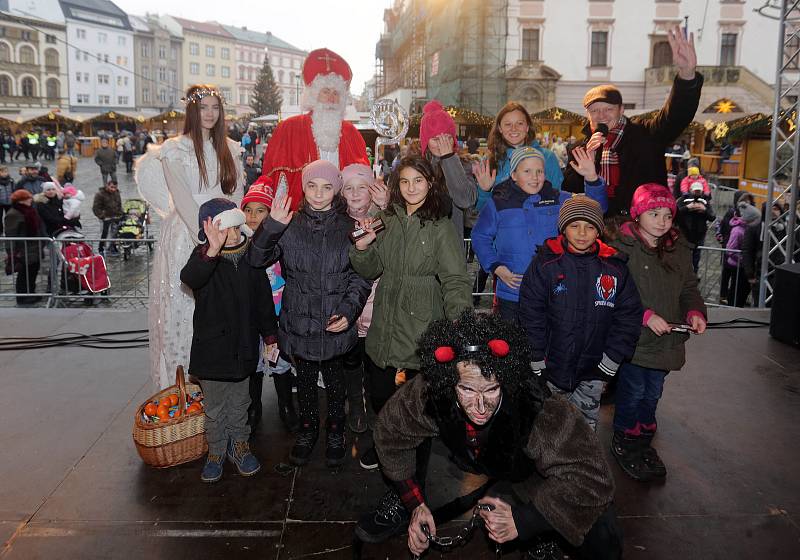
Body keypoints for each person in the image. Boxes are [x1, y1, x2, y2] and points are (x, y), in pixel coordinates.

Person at [356, 311, 621, 559]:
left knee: (602, 533)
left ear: (504, 380)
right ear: (450, 382)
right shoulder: (431, 391)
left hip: (530, 468)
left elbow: (593, 480)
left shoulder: (540, 410)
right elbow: (390, 432)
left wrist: (526, 520)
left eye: (492, 389)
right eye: (468, 390)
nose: (480, 407)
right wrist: (415, 504)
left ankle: (545, 535)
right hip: (483, 454)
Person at [349, 155, 473, 471]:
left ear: (430, 183)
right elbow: (372, 268)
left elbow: (455, 278)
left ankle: (412, 467)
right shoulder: (386, 219)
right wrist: (362, 249)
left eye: (417, 180)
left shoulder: (441, 226)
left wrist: (460, 318)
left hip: (422, 325)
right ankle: (386, 441)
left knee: (418, 404)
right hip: (385, 322)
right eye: (404, 181)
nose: (411, 187)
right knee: (379, 395)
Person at [248, 160, 371, 468]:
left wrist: (349, 310)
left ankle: (335, 430)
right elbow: (255, 259)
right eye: (312, 186)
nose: (319, 194)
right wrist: (271, 226)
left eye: (327, 187)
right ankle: (307, 429)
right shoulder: (289, 225)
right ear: (303, 187)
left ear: (336, 190)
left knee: (335, 380)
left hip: (334, 321)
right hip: (299, 321)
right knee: (303, 380)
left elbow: (360, 276)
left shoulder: (348, 227)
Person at [135, 84, 244, 390]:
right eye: (204, 107)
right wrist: (205, 238)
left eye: (215, 108)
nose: (210, 114)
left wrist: (235, 230)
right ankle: (181, 387)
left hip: (223, 231)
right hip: (189, 233)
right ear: (193, 111)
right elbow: (182, 198)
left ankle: (218, 383)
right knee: (184, 310)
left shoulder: (230, 149)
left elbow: (235, 193)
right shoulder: (175, 149)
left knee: (220, 308)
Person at [609, 184, 707, 481]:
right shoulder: (621, 248)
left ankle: (642, 440)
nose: (663, 221)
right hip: (635, 339)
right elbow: (613, 292)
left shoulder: (677, 249)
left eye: (667, 214)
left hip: (666, 341)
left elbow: (689, 288)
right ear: (638, 214)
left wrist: (695, 311)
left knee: (653, 393)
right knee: (633, 391)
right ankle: (624, 439)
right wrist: (645, 315)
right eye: (654, 213)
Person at [518, 196, 642, 430]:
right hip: (552, 368)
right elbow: (530, 314)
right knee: (548, 428)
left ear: (599, 231)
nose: (582, 233)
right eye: (575, 225)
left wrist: (612, 358)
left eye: (590, 226)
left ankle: (581, 465)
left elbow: (628, 317)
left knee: (584, 431)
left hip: (593, 370)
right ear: (563, 228)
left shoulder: (615, 268)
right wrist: (535, 356)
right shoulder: (545, 265)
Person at [180, 198, 277, 483]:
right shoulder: (204, 259)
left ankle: (240, 444)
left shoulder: (251, 259)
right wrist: (211, 250)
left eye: (236, 228)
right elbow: (190, 277)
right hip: (212, 352)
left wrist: (270, 335)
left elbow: (263, 302)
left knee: (240, 402)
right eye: (224, 230)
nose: (232, 236)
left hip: (244, 348)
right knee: (214, 408)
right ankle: (216, 450)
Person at [562, 26, 703, 221]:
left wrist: (687, 75)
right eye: (594, 111)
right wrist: (587, 167)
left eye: (608, 109)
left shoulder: (646, 134)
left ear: (621, 110)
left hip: (641, 229)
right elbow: (571, 195)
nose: (601, 115)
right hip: (599, 231)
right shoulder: (579, 149)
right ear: (587, 115)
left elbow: (676, 116)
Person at [471, 146, 607, 324]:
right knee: (512, 345)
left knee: (549, 345)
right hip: (512, 292)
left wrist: (592, 179)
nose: (534, 177)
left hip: (552, 290)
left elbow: (595, 210)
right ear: (513, 175)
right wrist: (495, 267)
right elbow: (480, 236)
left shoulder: (559, 199)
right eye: (527, 171)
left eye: (539, 171)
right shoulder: (498, 203)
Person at [256, 48, 368, 210]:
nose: (331, 98)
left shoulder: (352, 133)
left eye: (336, 93)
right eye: (325, 91)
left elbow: (363, 178)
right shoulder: (288, 129)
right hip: (298, 219)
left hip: (342, 218)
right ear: (314, 94)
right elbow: (271, 180)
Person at [239, 181, 298, 433]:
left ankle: (286, 405)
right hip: (251, 316)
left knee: (280, 360)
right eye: (248, 210)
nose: (252, 216)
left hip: (277, 312)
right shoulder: (238, 241)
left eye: (259, 210)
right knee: (254, 361)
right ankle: (254, 406)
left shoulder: (280, 241)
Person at [340, 163, 389, 434]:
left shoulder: (385, 216)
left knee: (374, 364)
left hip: (378, 307)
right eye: (349, 188)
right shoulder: (336, 220)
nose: (356, 194)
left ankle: (375, 405)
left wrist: (386, 207)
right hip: (349, 307)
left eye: (362, 187)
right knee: (350, 359)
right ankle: (356, 404)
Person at [473, 102, 564, 214]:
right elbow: (482, 212)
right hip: (502, 229)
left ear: (527, 127)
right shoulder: (489, 161)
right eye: (507, 124)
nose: (514, 129)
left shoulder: (547, 158)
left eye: (519, 123)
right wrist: (484, 191)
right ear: (500, 128)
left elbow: (559, 202)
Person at [418, 100, 478, 240]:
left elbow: (465, 201)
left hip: (452, 246)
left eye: (447, 138)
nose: (442, 145)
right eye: (435, 139)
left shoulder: (464, 165)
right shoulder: (417, 167)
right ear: (426, 142)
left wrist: (449, 159)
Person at [4, 190, 44, 305]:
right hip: (23, 249)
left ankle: (31, 293)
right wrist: (12, 252)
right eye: (27, 198)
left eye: (30, 198)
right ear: (20, 201)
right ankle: (22, 297)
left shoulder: (31, 210)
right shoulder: (13, 214)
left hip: (34, 247)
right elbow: (11, 234)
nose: (30, 200)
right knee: (24, 274)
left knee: (33, 272)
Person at [724, 201, 761, 307]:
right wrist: (744, 259)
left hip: (743, 266)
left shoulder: (748, 228)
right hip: (737, 266)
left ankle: (738, 304)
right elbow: (730, 249)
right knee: (736, 290)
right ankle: (732, 307)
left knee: (742, 290)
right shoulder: (737, 230)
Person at [675, 182, 715, 271]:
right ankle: (684, 275)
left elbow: (712, 217)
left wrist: (704, 210)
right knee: (684, 257)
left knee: (696, 258)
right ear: (691, 190)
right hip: (685, 233)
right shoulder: (683, 199)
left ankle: (694, 274)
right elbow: (676, 214)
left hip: (700, 235)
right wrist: (688, 208)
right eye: (695, 191)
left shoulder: (705, 201)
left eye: (699, 191)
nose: (697, 193)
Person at [93, 179, 124, 255]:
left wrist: (121, 213)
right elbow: (96, 208)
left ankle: (112, 247)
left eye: (115, 187)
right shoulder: (100, 194)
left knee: (115, 233)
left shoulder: (116, 193)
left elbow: (119, 204)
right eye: (112, 187)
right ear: (107, 185)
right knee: (105, 233)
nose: (113, 189)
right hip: (106, 217)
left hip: (116, 216)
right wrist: (102, 216)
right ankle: (101, 248)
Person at [0, 165, 12, 234]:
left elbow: (14, 190)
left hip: (9, 202)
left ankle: (9, 230)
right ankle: (0, 231)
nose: (4, 173)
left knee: (9, 217)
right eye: (2, 172)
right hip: (0, 202)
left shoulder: (11, 180)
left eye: (6, 172)